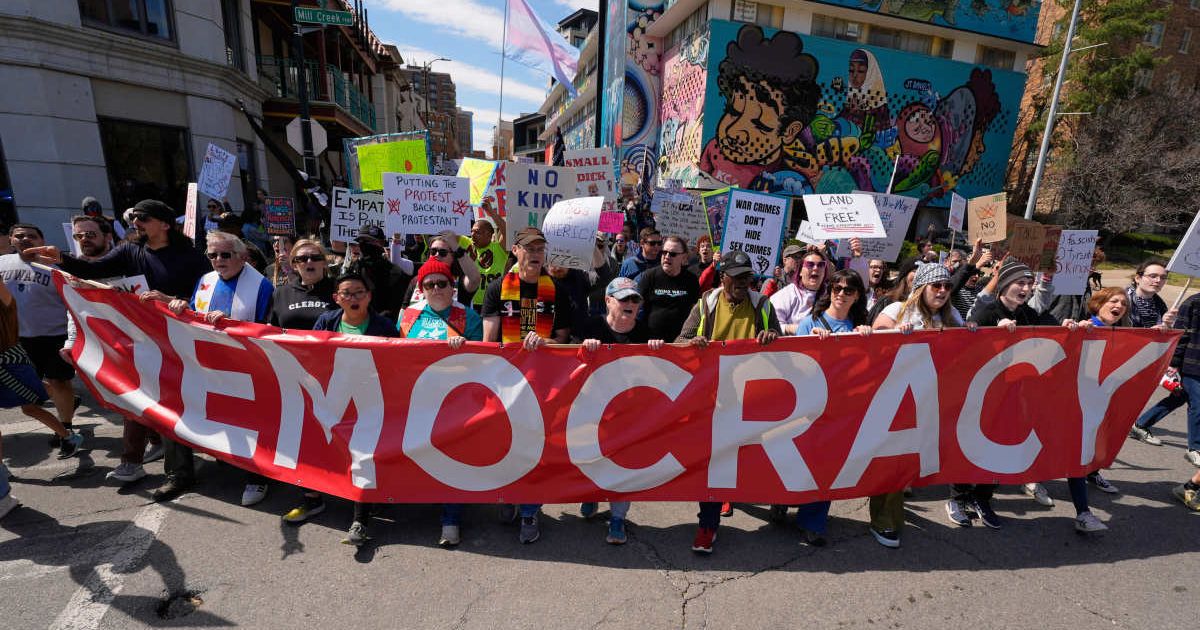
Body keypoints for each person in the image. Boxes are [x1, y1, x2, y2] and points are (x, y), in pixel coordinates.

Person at [22, 200, 210, 499]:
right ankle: (178, 473)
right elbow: (92, 269)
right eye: (133, 217)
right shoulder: (129, 251)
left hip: (183, 340)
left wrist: (176, 299)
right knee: (168, 404)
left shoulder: (191, 257)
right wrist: (62, 258)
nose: (136, 222)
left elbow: (206, 295)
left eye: (143, 218)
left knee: (192, 401)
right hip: (145, 343)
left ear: (164, 224)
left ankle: (223, 456)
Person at [951, 260, 1076, 531]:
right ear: (1005, 285)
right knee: (971, 446)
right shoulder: (987, 310)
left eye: (1029, 284)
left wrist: (1066, 327)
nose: (1026, 288)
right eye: (1020, 283)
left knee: (998, 448)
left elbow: (1051, 335)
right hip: (981, 393)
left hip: (1014, 396)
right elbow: (964, 344)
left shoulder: (1029, 314)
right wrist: (992, 333)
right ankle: (959, 497)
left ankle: (983, 498)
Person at [675, 250, 782, 553]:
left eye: (746, 277)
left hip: (754, 399)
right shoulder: (705, 304)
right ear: (722, 277)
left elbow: (780, 342)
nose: (742, 282)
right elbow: (680, 341)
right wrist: (692, 343)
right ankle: (708, 525)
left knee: (758, 460)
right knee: (714, 465)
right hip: (713, 400)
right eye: (735, 277)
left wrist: (771, 336)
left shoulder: (762, 304)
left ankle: (779, 502)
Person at [284, 273, 398, 545]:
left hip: (369, 397)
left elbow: (397, 365)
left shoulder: (383, 326)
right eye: (347, 293)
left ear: (369, 296)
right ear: (336, 298)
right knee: (316, 439)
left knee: (364, 451)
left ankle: (361, 518)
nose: (353, 298)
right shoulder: (327, 321)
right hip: (335, 393)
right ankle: (312, 499)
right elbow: (312, 355)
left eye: (359, 292)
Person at [167, 231, 274, 507]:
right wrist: (179, 307)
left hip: (243, 367)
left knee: (249, 423)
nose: (218, 260)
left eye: (225, 254)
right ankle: (181, 474)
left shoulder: (261, 285)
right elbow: (193, 313)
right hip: (205, 365)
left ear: (242, 257)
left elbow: (266, 328)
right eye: (212, 255)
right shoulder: (205, 281)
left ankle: (257, 478)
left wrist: (231, 324)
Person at [481, 227, 571, 543]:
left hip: (543, 385)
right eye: (529, 248)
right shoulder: (496, 289)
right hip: (506, 383)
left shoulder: (556, 290)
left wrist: (544, 343)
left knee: (534, 450)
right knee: (505, 445)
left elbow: (563, 342)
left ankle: (530, 511)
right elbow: (488, 342)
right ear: (515, 251)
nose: (535, 254)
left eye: (540, 249)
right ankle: (507, 495)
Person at [872, 263, 972, 547]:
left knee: (909, 463)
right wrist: (890, 334)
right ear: (921, 288)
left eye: (947, 286)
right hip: (896, 402)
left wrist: (972, 332)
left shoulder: (952, 315)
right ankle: (884, 521)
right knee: (891, 462)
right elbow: (871, 348)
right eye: (936, 285)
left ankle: (895, 504)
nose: (942, 291)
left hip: (931, 403)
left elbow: (966, 353)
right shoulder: (897, 311)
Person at [396, 260, 482, 546]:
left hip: (454, 403)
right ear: (421, 288)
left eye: (442, 283)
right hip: (417, 399)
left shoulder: (468, 318)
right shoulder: (408, 316)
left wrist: (465, 350)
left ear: (452, 286)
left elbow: (481, 364)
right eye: (429, 284)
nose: (436, 289)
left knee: (452, 460)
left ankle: (451, 518)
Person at [783, 269, 872, 545]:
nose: (841, 294)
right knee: (796, 462)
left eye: (848, 290)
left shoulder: (860, 330)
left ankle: (813, 521)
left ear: (857, 296)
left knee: (827, 467)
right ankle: (782, 501)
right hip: (806, 407)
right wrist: (809, 341)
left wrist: (870, 339)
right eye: (836, 288)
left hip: (840, 410)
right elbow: (792, 364)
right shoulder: (809, 323)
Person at [575, 277, 666, 544]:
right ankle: (591, 495)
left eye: (635, 299)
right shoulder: (590, 327)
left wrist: (659, 353)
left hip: (630, 415)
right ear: (608, 301)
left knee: (623, 468)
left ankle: (617, 519)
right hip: (593, 413)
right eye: (624, 298)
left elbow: (662, 375)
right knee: (593, 461)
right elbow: (567, 368)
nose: (630, 303)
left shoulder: (647, 332)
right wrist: (584, 350)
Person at [0, 224, 83, 452]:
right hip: (18, 341)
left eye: (31, 236)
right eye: (19, 236)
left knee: (59, 381)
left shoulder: (57, 267)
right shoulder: (1, 264)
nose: (25, 239)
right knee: (27, 395)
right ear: (11, 240)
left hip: (55, 335)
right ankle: (64, 405)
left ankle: (66, 427)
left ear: (41, 239)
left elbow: (74, 303)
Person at [1136, 288, 1200, 467]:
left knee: (1180, 397)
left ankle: (1141, 423)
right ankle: (1195, 449)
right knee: (1198, 404)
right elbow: (1182, 334)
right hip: (1192, 363)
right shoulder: (1193, 302)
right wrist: (1174, 362)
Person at [637, 235, 701, 341]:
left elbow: (695, 310)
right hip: (653, 342)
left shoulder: (691, 280)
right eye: (664, 252)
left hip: (680, 342)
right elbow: (636, 306)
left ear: (684, 257)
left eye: (672, 254)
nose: (667, 256)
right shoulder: (649, 276)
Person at [345, 225, 412, 322]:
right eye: (361, 241)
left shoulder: (394, 272)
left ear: (381, 244)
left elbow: (397, 307)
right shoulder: (352, 270)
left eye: (370, 241)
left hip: (382, 328)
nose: (364, 245)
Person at [268, 240, 336, 330]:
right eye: (302, 259)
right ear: (295, 265)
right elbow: (271, 330)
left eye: (315, 258)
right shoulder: (281, 293)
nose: (309, 261)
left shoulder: (338, 290)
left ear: (324, 262)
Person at [408, 232, 481, 306]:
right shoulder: (416, 280)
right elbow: (403, 313)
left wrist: (456, 247)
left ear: (453, 257)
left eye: (442, 252)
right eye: (433, 251)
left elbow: (475, 279)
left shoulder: (461, 280)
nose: (436, 255)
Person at [771, 247, 831, 335]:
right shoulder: (786, 295)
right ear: (800, 271)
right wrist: (797, 328)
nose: (815, 268)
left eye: (821, 265)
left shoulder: (833, 295)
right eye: (810, 264)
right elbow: (771, 326)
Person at [461, 215, 508, 313]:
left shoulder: (499, 248)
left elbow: (507, 231)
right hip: (473, 303)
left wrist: (490, 211)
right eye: (472, 231)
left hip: (495, 303)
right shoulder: (468, 245)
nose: (472, 235)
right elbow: (451, 233)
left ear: (489, 235)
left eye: (477, 232)